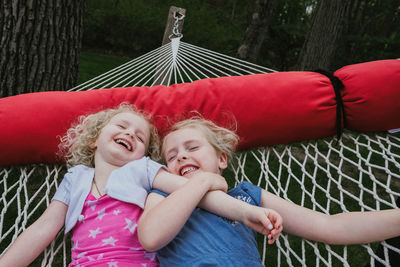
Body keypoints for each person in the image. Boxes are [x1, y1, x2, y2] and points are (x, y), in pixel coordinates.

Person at [0, 104, 281, 267]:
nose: (129, 134)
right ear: (94, 139)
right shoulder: (76, 178)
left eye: (140, 137)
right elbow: (43, 228)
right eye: (121, 126)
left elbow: (195, 194)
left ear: (143, 154)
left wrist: (244, 212)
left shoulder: (144, 170)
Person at [138, 117, 400, 266]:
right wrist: (201, 183)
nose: (181, 157)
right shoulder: (162, 196)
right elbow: (150, 238)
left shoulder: (246, 196)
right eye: (171, 156)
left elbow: (329, 226)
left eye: (192, 148)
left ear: (222, 159)